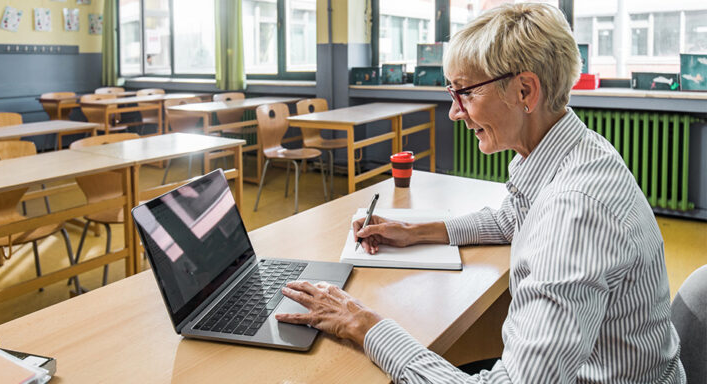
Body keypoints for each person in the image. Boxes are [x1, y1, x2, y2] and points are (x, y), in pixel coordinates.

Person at [275, 3, 686, 383]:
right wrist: (413, 231)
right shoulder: (571, 150)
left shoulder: (575, 211)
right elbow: (511, 219)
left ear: (525, 91)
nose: (455, 112)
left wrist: (363, 324)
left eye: (466, 92)